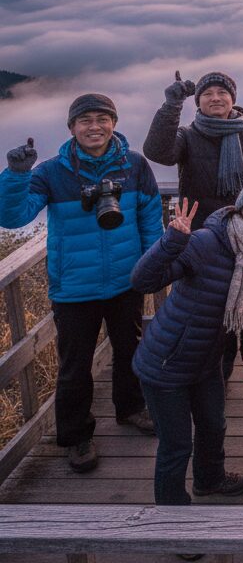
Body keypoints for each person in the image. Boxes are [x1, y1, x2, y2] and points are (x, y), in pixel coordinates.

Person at [0, 94, 163, 473]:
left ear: (114, 123)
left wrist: (152, 265)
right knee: (74, 366)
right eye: (85, 120)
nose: (95, 126)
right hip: (75, 287)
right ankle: (76, 436)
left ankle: (132, 408)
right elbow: (14, 217)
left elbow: (151, 219)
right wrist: (15, 176)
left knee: (131, 351)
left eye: (102, 119)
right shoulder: (52, 172)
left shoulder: (135, 166)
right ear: (71, 128)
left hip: (127, 281)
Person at [131, 174, 243, 506]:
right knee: (176, 446)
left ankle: (210, 479)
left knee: (214, 425)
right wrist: (172, 240)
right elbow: (143, 280)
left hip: (207, 359)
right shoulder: (205, 242)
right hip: (166, 362)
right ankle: (174, 519)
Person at [144, 69, 243, 381]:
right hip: (205, 244)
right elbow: (157, 151)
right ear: (198, 101)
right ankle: (218, 377)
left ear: (233, 98)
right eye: (207, 94)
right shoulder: (188, 136)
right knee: (210, 318)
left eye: (222, 92)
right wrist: (171, 105)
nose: (215, 98)